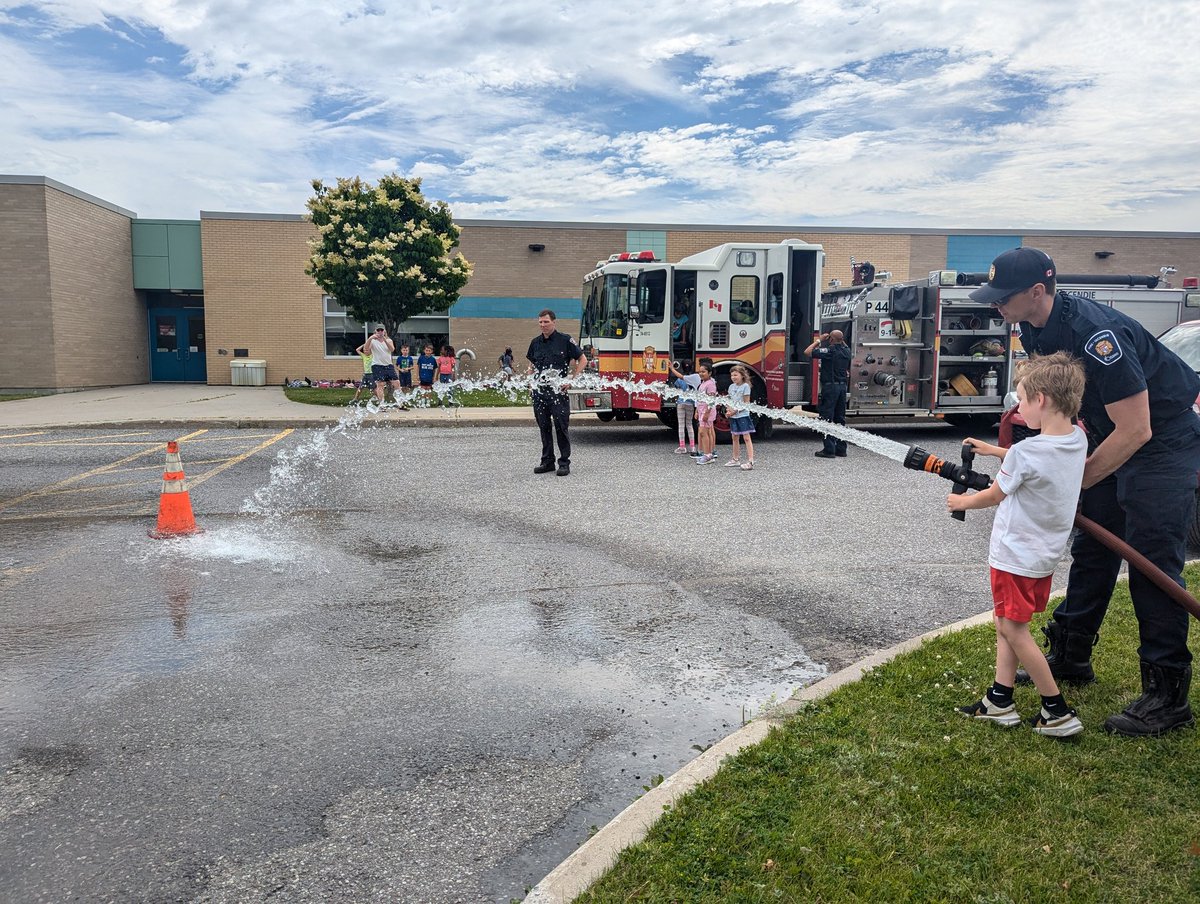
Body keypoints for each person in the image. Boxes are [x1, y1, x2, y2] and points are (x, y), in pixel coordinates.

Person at [972, 246, 1200, 737]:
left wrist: (1069, 483)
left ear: (1037, 292)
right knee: (1093, 545)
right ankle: (1072, 653)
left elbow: (1137, 428)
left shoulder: (1098, 335)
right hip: (1104, 433)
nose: (996, 307)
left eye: (1001, 298)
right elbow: (1063, 408)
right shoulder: (1032, 325)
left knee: (1150, 560)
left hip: (1161, 439)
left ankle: (1166, 693)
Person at [948, 352, 1088, 738]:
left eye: (1022, 399)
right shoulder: (1076, 439)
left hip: (1013, 556)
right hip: (1042, 557)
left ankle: (1056, 710)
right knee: (1007, 624)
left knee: (1013, 629)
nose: (1019, 407)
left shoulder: (1028, 451)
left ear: (1040, 400)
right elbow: (1034, 461)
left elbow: (994, 495)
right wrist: (994, 452)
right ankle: (999, 700)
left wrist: (961, 502)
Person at [526, 309, 585, 476]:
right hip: (540, 393)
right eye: (540, 322)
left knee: (561, 427)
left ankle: (564, 462)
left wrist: (572, 379)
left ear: (554, 322)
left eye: (546, 322)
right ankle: (547, 461)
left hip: (558, 393)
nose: (543, 325)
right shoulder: (535, 342)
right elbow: (531, 365)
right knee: (543, 427)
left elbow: (583, 359)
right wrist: (530, 382)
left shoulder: (565, 340)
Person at [805, 329, 851, 458]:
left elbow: (807, 352)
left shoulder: (830, 351)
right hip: (842, 388)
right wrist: (837, 338)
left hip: (831, 389)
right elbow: (842, 342)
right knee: (840, 419)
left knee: (827, 418)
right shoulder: (847, 351)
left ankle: (829, 450)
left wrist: (819, 340)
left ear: (830, 340)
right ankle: (841, 448)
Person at [724, 364, 756, 471]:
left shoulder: (746, 386)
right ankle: (735, 459)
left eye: (735, 375)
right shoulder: (731, 387)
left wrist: (734, 411)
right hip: (734, 416)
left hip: (742, 415)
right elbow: (728, 401)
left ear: (742, 375)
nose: (733, 377)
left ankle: (750, 461)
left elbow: (746, 403)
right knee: (734, 437)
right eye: (732, 375)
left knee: (746, 438)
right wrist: (728, 410)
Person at [667, 359, 700, 455]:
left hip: (681, 403)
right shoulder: (695, 377)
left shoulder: (680, 379)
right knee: (689, 425)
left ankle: (682, 447)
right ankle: (692, 446)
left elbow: (677, 387)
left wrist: (672, 368)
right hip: (690, 403)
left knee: (681, 425)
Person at [364, 326, 400, 403]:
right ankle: (382, 404)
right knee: (380, 384)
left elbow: (392, 349)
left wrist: (384, 339)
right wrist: (370, 338)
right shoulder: (372, 341)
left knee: (396, 383)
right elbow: (366, 350)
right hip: (377, 365)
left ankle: (400, 403)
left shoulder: (389, 340)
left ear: (384, 331)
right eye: (378, 330)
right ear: (375, 331)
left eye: (382, 330)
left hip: (388, 365)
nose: (380, 332)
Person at [694, 361, 718, 464]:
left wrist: (707, 413)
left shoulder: (711, 384)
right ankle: (707, 454)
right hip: (701, 411)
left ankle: (707, 455)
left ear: (710, 373)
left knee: (703, 432)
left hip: (707, 412)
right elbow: (699, 399)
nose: (701, 374)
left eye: (703, 372)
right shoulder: (702, 384)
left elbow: (712, 400)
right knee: (704, 432)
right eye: (700, 372)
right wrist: (696, 411)